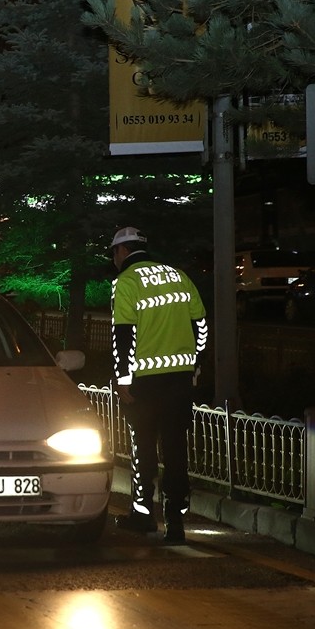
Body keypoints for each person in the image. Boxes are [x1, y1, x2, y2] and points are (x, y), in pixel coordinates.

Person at [109, 226, 208, 544]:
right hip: (180, 380)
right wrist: (195, 363)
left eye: (114, 254)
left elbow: (123, 336)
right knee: (176, 449)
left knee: (144, 448)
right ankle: (176, 522)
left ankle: (142, 515)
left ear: (121, 251)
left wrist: (122, 379)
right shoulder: (178, 276)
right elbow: (201, 325)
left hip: (144, 383)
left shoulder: (126, 282)